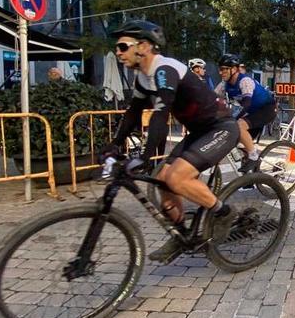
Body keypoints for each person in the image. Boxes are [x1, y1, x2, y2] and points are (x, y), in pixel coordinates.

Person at [100, 20, 238, 263]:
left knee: (176, 178)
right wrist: (114, 144)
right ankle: (180, 235)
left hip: (220, 128)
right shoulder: (143, 78)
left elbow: (160, 116)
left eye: (122, 46)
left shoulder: (165, 70)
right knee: (162, 179)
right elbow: (133, 113)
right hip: (198, 132)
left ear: (143, 46)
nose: (118, 53)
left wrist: (144, 156)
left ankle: (223, 212)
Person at [216, 54, 277, 173]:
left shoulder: (245, 81)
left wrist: (232, 118)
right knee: (232, 138)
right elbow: (212, 98)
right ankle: (251, 174)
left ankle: (253, 157)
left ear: (233, 69)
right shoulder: (224, 85)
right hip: (253, 113)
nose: (221, 72)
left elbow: (246, 103)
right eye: (220, 69)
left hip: (267, 109)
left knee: (239, 125)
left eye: (224, 69)